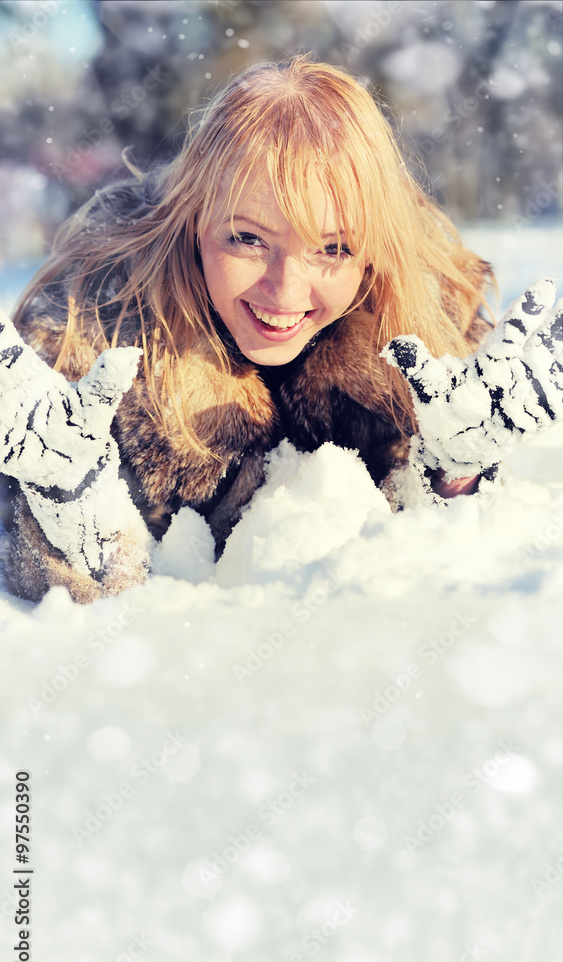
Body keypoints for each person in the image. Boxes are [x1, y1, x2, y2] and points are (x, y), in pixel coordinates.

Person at [0, 57, 561, 604]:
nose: (286, 291)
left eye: (333, 248)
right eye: (247, 239)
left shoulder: (427, 327)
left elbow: (442, 585)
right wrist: (68, 502)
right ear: (194, 221)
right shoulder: (88, 334)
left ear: (373, 252)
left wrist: (455, 476)